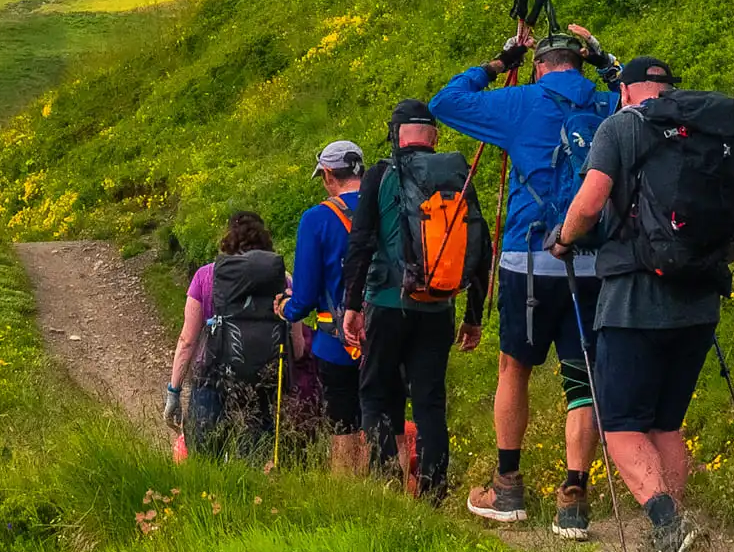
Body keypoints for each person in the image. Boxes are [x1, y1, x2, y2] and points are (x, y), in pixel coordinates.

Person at [552, 55, 734, 552]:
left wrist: (563, 240)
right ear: (669, 90)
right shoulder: (707, 133)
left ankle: (670, 525)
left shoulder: (620, 128)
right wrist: (696, 261)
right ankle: (675, 543)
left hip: (632, 300)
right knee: (666, 424)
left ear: (625, 91)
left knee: (620, 423)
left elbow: (589, 202)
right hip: (699, 304)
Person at [433, 27, 621, 538]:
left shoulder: (520, 102)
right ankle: (574, 498)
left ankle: (508, 487)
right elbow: (643, 96)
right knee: (581, 380)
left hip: (529, 258)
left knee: (513, 367)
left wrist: (497, 63)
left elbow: (445, 102)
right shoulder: (608, 105)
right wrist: (606, 59)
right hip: (592, 261)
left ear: (539, 66)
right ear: (578, 65)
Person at [341, 100, 493, 500]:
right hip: (439, 309)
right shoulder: (459, 175)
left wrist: (352, 306)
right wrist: (474, 316)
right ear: (434, 137)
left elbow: (360, 244)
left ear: (396, 134)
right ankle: (433, 490)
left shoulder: (380, 175)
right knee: (429, 401)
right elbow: (481, 248)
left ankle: (385, 481)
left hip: (387, 303)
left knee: (374, 393)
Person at [281, 141, 371, 473]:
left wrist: (285, 309)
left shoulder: (317, 218)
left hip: (337, 344)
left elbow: (303, 298)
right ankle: (391, 497)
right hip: (388, 332)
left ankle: (347, 502)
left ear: (329, 175)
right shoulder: (389, 207)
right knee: (385, 419)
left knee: (343, 425)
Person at [167, 210, 285, 460]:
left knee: (204, 457)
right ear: (265, 239)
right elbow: (296, 341)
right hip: (263, 380)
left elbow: (187, 341)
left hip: (212, 376)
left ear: (228, 237)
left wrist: (174, 392)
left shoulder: (206, 275)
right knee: (256, 458)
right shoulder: (281, 279)